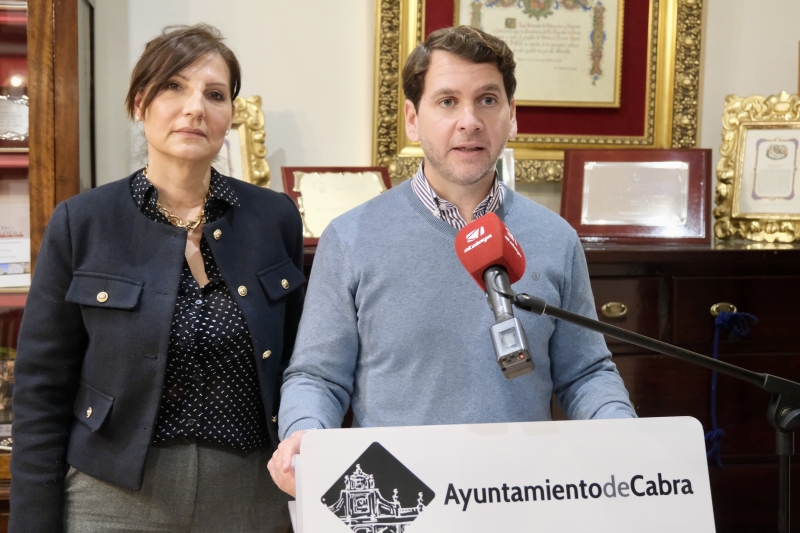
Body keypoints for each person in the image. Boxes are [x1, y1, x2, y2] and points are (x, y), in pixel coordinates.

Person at [268, 25, 635, 496]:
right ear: (412, 119)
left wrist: (620, 427)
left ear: (511, 116)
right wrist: (304, 433)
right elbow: (318, 377)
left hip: (520, 495)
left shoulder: (556, 238)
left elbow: (585, 373)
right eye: (447, 101)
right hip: (399, 501)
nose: (470, 121)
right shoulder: (350, 237)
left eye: (487, 100)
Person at [10, 24, 303, 532]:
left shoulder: (274, 218)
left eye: (215, 94)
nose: (195, 108)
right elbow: (40, 386)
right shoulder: (83, 222)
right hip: (114, 495)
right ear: (139, 103)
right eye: (174, 86)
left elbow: (303, 362)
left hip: (252, 493)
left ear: (230, 115)